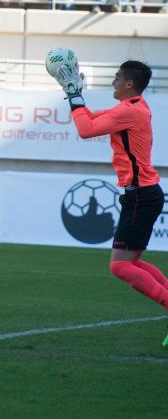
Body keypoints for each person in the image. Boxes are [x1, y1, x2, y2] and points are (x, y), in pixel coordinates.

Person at [52, 59, 167, 347]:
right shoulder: (133, 108)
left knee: (120, 267)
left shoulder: (130, 111)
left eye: (117, 78)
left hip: (140, 195)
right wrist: (75, 95)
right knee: (133, 262)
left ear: (129, 83)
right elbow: (89, 119)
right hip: (142, 194)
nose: (113, 81)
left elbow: (85, 130)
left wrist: (73, 94)